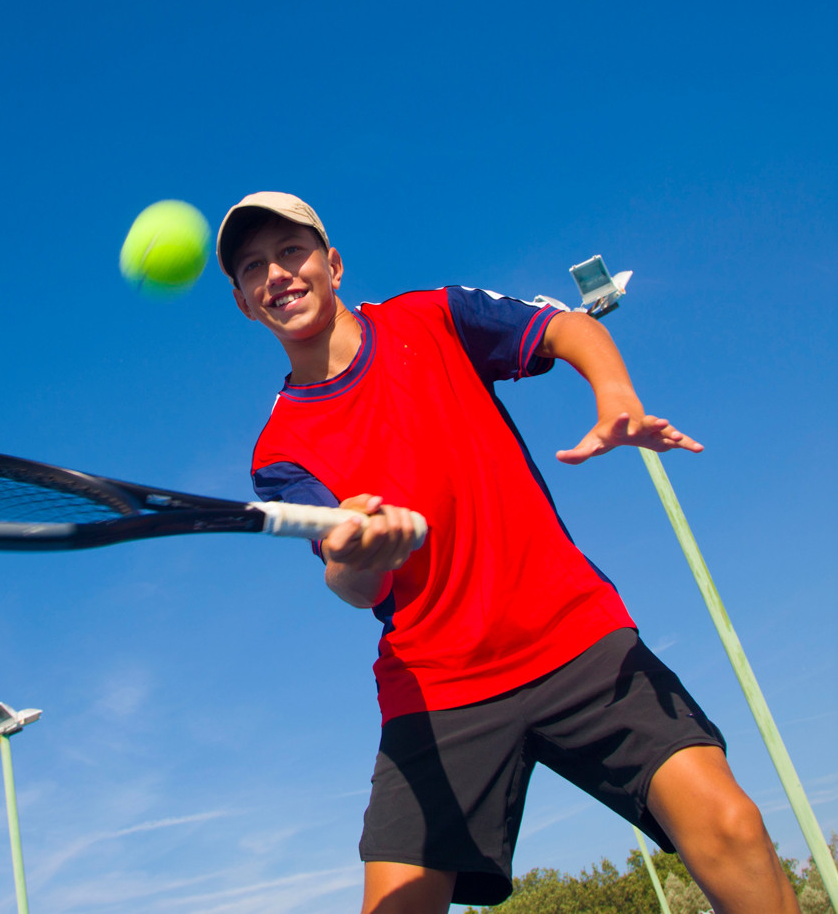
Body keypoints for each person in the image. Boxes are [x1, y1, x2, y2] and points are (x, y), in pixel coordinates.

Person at [219, 192, 802, 914]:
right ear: (246, 303)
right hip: (438, 687)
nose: (275, 273)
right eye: (252, 267)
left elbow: (566, 327)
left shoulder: (431, 316)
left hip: (573, 636)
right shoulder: (278, 451)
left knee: (731, 826)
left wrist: (614, 393)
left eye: (290, 251)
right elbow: (351, 585)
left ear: (332, 264)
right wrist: (362, 553)